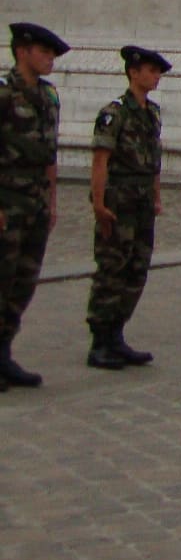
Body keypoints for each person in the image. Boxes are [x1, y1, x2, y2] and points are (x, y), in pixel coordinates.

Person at [87, 44, 167, 370]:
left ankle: (117, 334)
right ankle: (100, 341)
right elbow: (100, 160)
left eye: (158, 71)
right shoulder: (114, 112)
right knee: (112, 269)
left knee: (137, 268)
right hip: (119, 200)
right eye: (150, 70)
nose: (156, 76)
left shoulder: (153, 112)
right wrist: (99, 203)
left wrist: (157, 195)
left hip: (143, 201)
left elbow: (155, 161)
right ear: (133, 72)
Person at [0, 21, 66, 388]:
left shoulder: (48, 96)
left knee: (22, 281)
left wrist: (52, 201)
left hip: (35, 204)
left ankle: (4, 352)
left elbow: (49, 154)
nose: (50, 59)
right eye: (44, 52)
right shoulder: (4, 93)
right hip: (7, 201)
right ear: (22, 51)